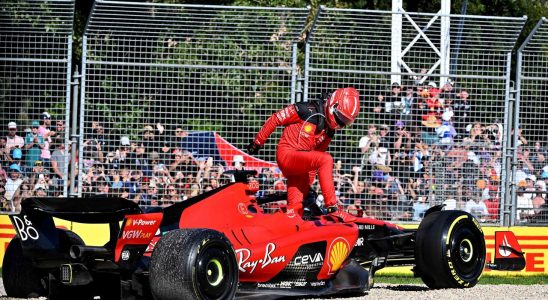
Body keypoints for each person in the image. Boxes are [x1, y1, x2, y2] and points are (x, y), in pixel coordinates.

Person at [246, 87, 360, 221]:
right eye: (340, 118)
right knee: (327, 160)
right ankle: (333, 208)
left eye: (345, 122)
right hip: (287, 155)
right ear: (333, 105)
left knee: (295, 214)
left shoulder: (329, 130)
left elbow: (316, 155)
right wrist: (257, 142)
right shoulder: (306, 110)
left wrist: (307, 183)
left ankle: (281, 229)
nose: (341, 123)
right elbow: (276, 118)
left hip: (300, 168)